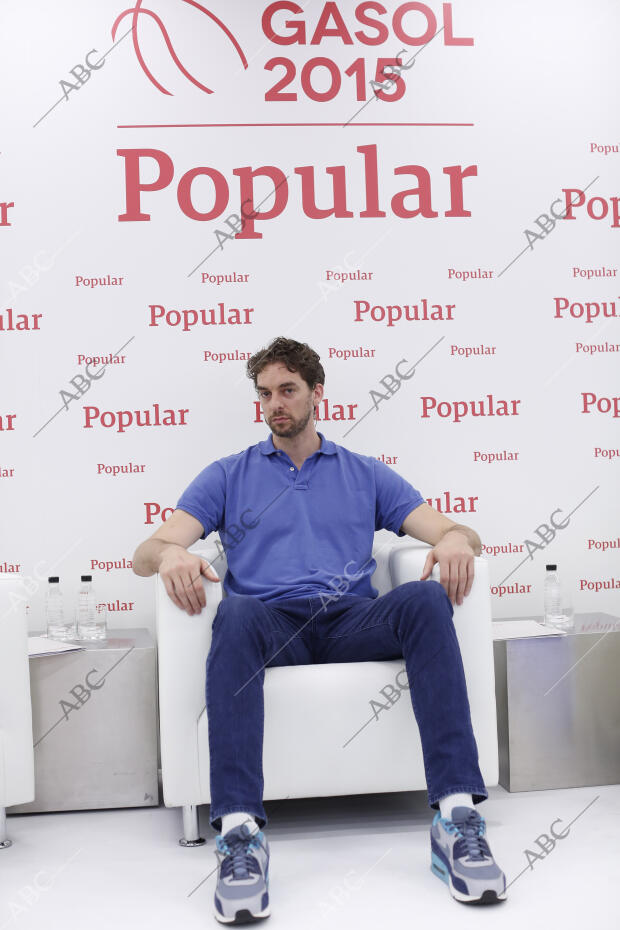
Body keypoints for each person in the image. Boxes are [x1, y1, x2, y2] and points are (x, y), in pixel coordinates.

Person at [132, 336, 507, 923]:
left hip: (350, 619)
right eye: (265, 394)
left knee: (426, 602)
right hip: (269, 621)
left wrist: (457, 540)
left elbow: (454, 531)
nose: (275, 404)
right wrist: (171, 556)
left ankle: (456, 818)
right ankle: (239, 834)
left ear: (316, 394)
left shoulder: (362, 473)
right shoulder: (228, 475)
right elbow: (146, 551)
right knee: (232, 612)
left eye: (287, 390)